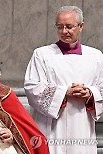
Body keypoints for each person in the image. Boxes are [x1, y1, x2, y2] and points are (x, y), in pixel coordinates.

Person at [24, 5, 103, 154]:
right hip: (53, 126)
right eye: (59, 27)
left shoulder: (96, 56)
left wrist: (90, 93)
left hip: (82, 124)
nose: (64, 31)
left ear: (81, 26)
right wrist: (64, 93)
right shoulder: (42, 55)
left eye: (69, 26)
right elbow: (32, 87)